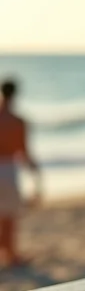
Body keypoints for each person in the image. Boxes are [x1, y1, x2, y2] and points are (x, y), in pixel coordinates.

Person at [0, 80, 42, 266]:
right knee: (10, 215)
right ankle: (11, 255)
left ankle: (8, 250)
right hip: (8, 169)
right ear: (15, 94)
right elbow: (24, 152)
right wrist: (37, 178)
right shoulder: (18, 121)